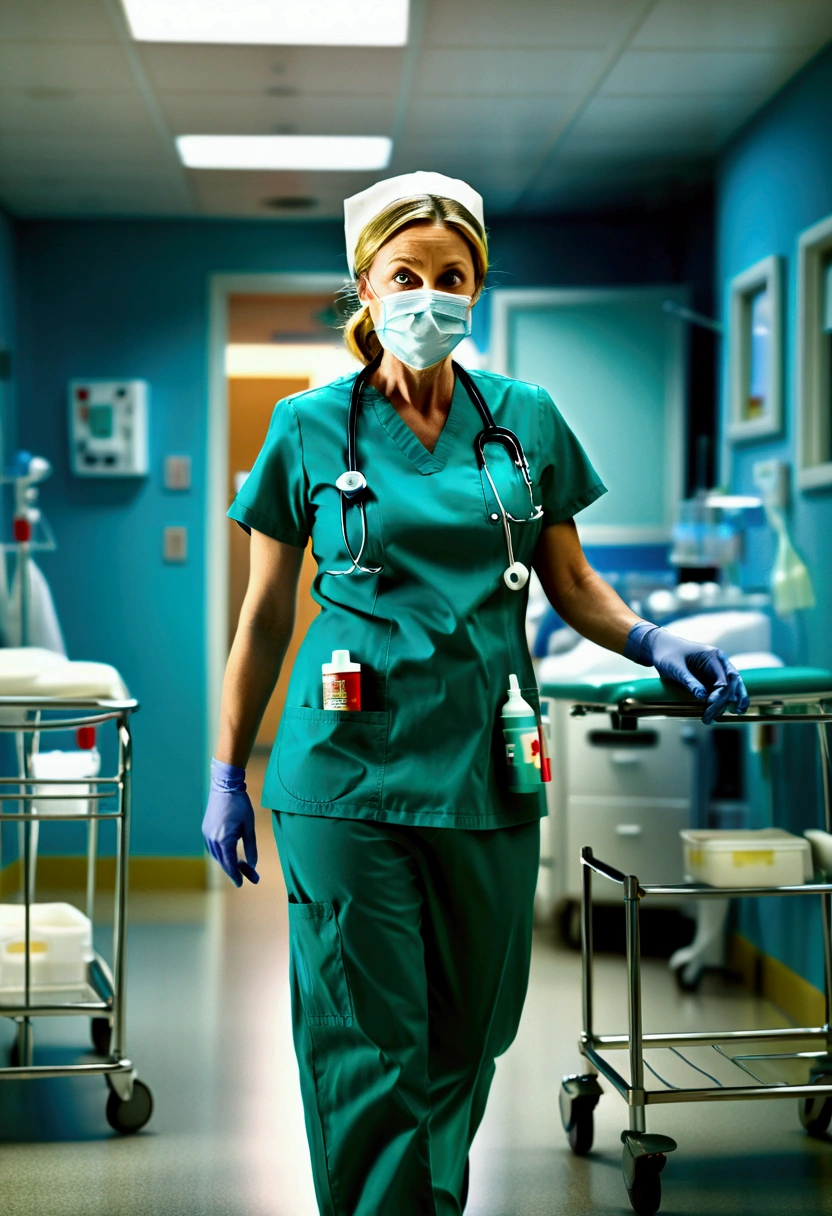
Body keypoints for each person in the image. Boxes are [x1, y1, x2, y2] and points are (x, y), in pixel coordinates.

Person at [202, 171, 748, 1216]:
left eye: (451, 277)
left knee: (473, 1027)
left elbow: (573, 584)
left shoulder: (524, 421)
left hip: (489, 761)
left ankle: (424, 1198)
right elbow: (266, 613)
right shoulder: (309, 426)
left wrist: (650, 637)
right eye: (403, 274)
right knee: (368, 1035)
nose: (427, 295)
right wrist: (229, 768)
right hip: (345, 771)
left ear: (477, 290)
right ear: (363, 287)